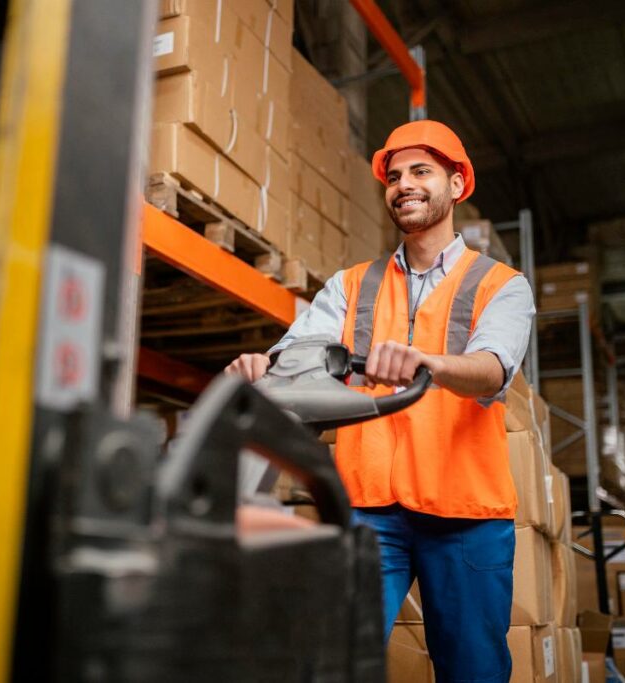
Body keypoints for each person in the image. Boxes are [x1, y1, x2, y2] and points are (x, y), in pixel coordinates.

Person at [225, 120, 535, 682]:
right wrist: (259, 368)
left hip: (465, 516)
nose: (403, 184)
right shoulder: (351, 285)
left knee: (474, 671)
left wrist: (431, 364)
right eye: (394, 176)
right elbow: (295, 357)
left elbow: (492, 371)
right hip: (367, 510)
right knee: (332, 661)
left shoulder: (501, 284)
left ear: (457, 185)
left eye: (421, 171)